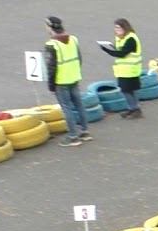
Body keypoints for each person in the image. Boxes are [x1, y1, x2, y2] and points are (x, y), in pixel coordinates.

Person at [43, 16, 90, 147]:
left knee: (66, 108)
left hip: (61, 80)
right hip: (74, 77)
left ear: (50, 27)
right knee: (79, 105)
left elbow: (51, 67)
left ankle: (73, 136)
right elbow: (79, 58)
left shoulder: (51, 45)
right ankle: (85, 131)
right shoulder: (73, 39)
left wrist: (51, 85)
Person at [99, 18, 143, 119]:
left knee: (126, 90)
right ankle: (133, 109)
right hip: (125, 70)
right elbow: (120, 50)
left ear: (125, 27)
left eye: (119, 28)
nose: (117, 30)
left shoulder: (131, 39)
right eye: (116, 28)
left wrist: (106, 50)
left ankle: (134, 109)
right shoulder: (120, 38)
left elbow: (122, 53)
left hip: (130, 70)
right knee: (130, 90)